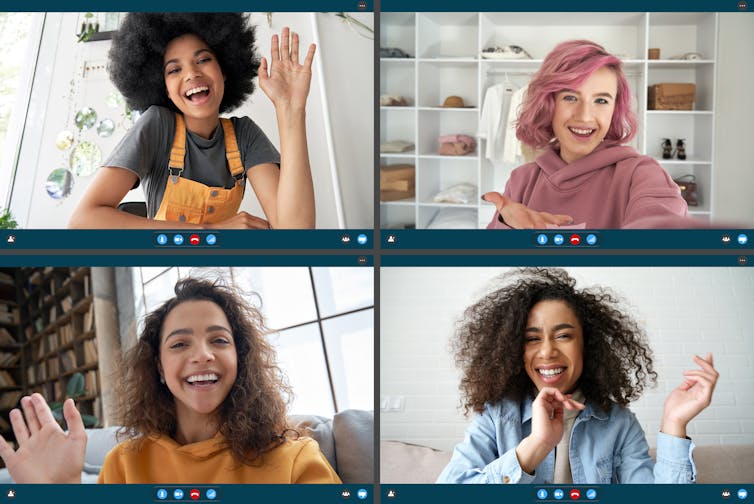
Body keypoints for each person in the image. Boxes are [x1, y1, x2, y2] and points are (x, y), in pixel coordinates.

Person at [0, 278, 340, 483]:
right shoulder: (124, 464)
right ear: (159, 368)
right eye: (179, 344)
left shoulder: (296, 459)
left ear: (241, 357)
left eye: (219, 340)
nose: (202, 355)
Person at [437, 268, 718, 484]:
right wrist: (535, 447)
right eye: (532, 339)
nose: (547, 351)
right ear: (515, 351)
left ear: (587, 344)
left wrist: (673, 422)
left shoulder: (619, 424)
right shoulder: (497, 417)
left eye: (563, 335)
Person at [68, 13, 316, 229]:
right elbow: (82, 222)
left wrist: (290, 109)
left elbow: (296, 233)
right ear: (163, 87)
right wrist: (213, 233)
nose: (192, 73)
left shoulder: (244, 136)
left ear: (224, 70)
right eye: (174, 70)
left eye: (203, 60)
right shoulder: (158, 127)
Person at [483, 40, 700, 229]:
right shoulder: (522, 180)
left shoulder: (642, 174)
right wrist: (506, 228)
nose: (585, 116)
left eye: (601, 101)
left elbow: (661, 223)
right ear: (549, 104)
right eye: (570, 97)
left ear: (614, 110)